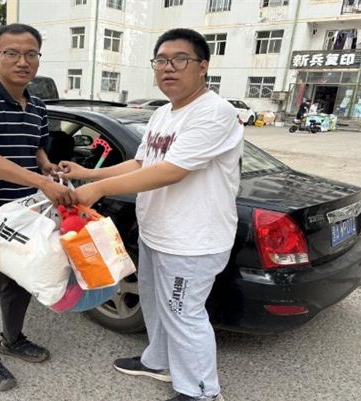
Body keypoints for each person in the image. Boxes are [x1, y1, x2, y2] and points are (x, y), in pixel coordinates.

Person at [59, 28, 242, 401]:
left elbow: (172, 171)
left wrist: (100, 190)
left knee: (184, 313)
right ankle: (158, 362)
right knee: (157, 306)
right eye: (161, 60)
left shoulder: (214, 112)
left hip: (192, 241)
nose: (168, 68)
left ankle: (202, 392)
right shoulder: (162, 113)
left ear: (203, 66)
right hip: (157, 232)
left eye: (180, 59)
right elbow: (142, 163)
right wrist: (88, 174)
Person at [0, 23, 75, 392]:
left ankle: (13, 338)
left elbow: (37, 148)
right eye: (12, 53)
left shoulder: (36, 104)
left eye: (31, 54)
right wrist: (43, 183)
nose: (23, 61)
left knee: (21, 282)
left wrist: (48, 168)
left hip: (25, 213)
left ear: (38, 58)